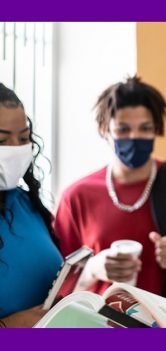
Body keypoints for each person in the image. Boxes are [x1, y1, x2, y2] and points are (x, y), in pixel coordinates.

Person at [54, 76, 166, 305]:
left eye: (145, 128)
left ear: (156, 129)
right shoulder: (76, 197)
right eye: (123, 129)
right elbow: (59, 289)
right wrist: (93, 268)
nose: (134, 137)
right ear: (104, 129)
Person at [0, 83, 62, 328]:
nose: (17, 149)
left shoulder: (27, 204)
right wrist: (9, 328)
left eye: (24, 138)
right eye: (2, 140)